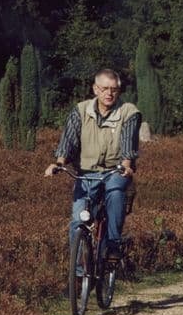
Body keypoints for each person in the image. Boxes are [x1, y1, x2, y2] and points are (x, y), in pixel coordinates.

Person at [45, 69, 141, 261]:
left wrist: (127, 165)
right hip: (86, 173)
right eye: (105, 88)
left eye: (114, 89)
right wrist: (59, 163)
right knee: (78, 221)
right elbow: (69, 141)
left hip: (115, 170)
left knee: (115, 193)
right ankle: (79, 273)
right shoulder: (81, 111)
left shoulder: (128, 112)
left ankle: (113, 245)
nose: (109, 93)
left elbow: (128, 143)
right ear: (95, 89)